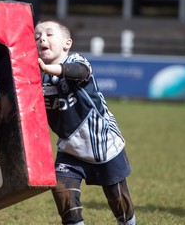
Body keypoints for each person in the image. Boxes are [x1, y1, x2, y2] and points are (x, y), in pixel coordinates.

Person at [35, 19, 136, 225]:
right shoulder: (37, 75)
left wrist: (48, 68)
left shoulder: (78, 60)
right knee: (63, 194)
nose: (41, 38)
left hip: (103, 145)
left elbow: (80, 72)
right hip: (70, 150)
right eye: (36, 37)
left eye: (48, 34)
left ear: (67, 43)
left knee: (119, 203)